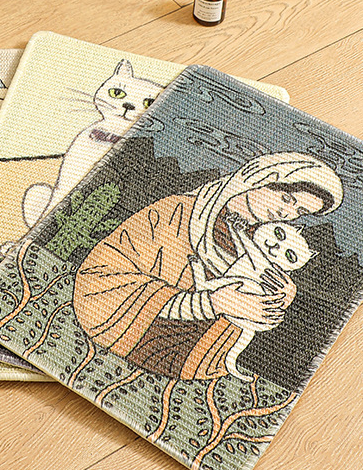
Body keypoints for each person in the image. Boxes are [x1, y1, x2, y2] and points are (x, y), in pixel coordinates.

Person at [71, 152, 344, 380]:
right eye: (286, 198)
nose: (287, 213)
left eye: (299, 212)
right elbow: (102, 275)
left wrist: (279, 297)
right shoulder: (176, 212)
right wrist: (213, 302)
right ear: (259, 178)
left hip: (193, 365)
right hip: (130, 337)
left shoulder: (261, 245)